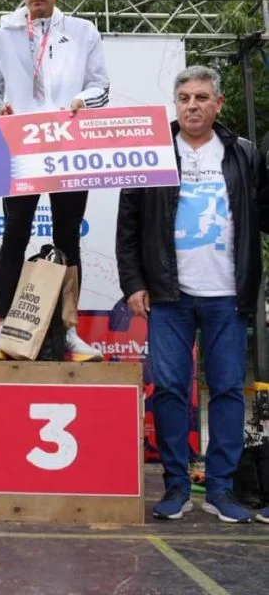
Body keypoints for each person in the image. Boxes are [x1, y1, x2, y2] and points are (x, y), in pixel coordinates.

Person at [117, 65, 269, 522]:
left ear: (218, 103)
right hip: (169, 295)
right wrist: (134, 284)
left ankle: (220, 490)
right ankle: (176, 485)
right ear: (176, 104)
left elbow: (262, 215)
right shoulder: (153, 151)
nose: (192, 106)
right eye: (184, 98)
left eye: (202, 97)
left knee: (226, 390)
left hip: (228, 294)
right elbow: (128, 225)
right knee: (168, 389)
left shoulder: (243, 153)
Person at [0, 0, 109, 362]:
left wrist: (82, 101)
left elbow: (101, 86)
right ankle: (3, 328)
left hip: (68, 146)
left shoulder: (84, 32)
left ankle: (68, 331)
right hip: (21, 146)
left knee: (68, 237)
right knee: (14, 234)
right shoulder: (2, 36)